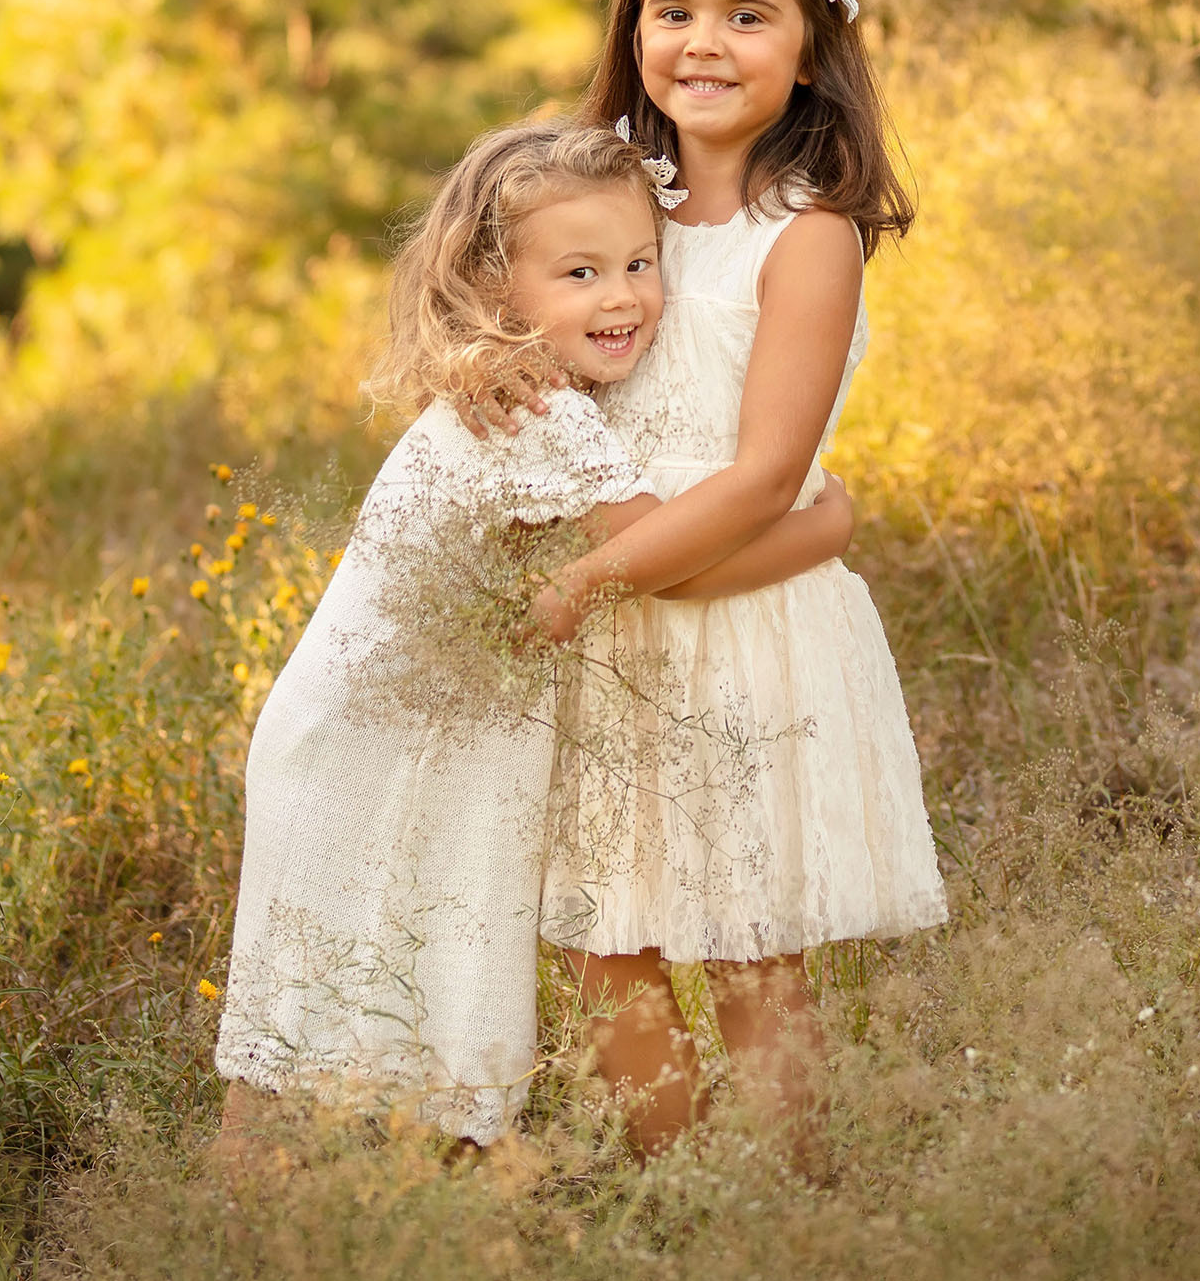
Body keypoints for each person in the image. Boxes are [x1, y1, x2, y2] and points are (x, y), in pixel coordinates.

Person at [213, 117, 854, 1147]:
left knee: (320, 1023)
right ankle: (256, 1231)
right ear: (499, 289)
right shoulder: (537, 414)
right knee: (325, 1024)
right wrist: (828, 524)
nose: (622, 297)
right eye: (581, 272)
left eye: (641, 263)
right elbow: (669, 566)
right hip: (375, 755)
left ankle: (301, 1233)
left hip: (357, 741)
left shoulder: (510, 383)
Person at [538, 0, 948, 1162]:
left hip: (744, 622)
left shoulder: (804, 236)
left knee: (749, 955)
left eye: (746, 15)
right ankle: (681, 1227)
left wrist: (599, 577)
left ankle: (790, 1227)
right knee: (606, 947)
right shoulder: (598, 213)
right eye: (671, 11)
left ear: (815, 46)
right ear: (631, 28)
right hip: (615, 633)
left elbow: (770, 475)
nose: (701, 43)